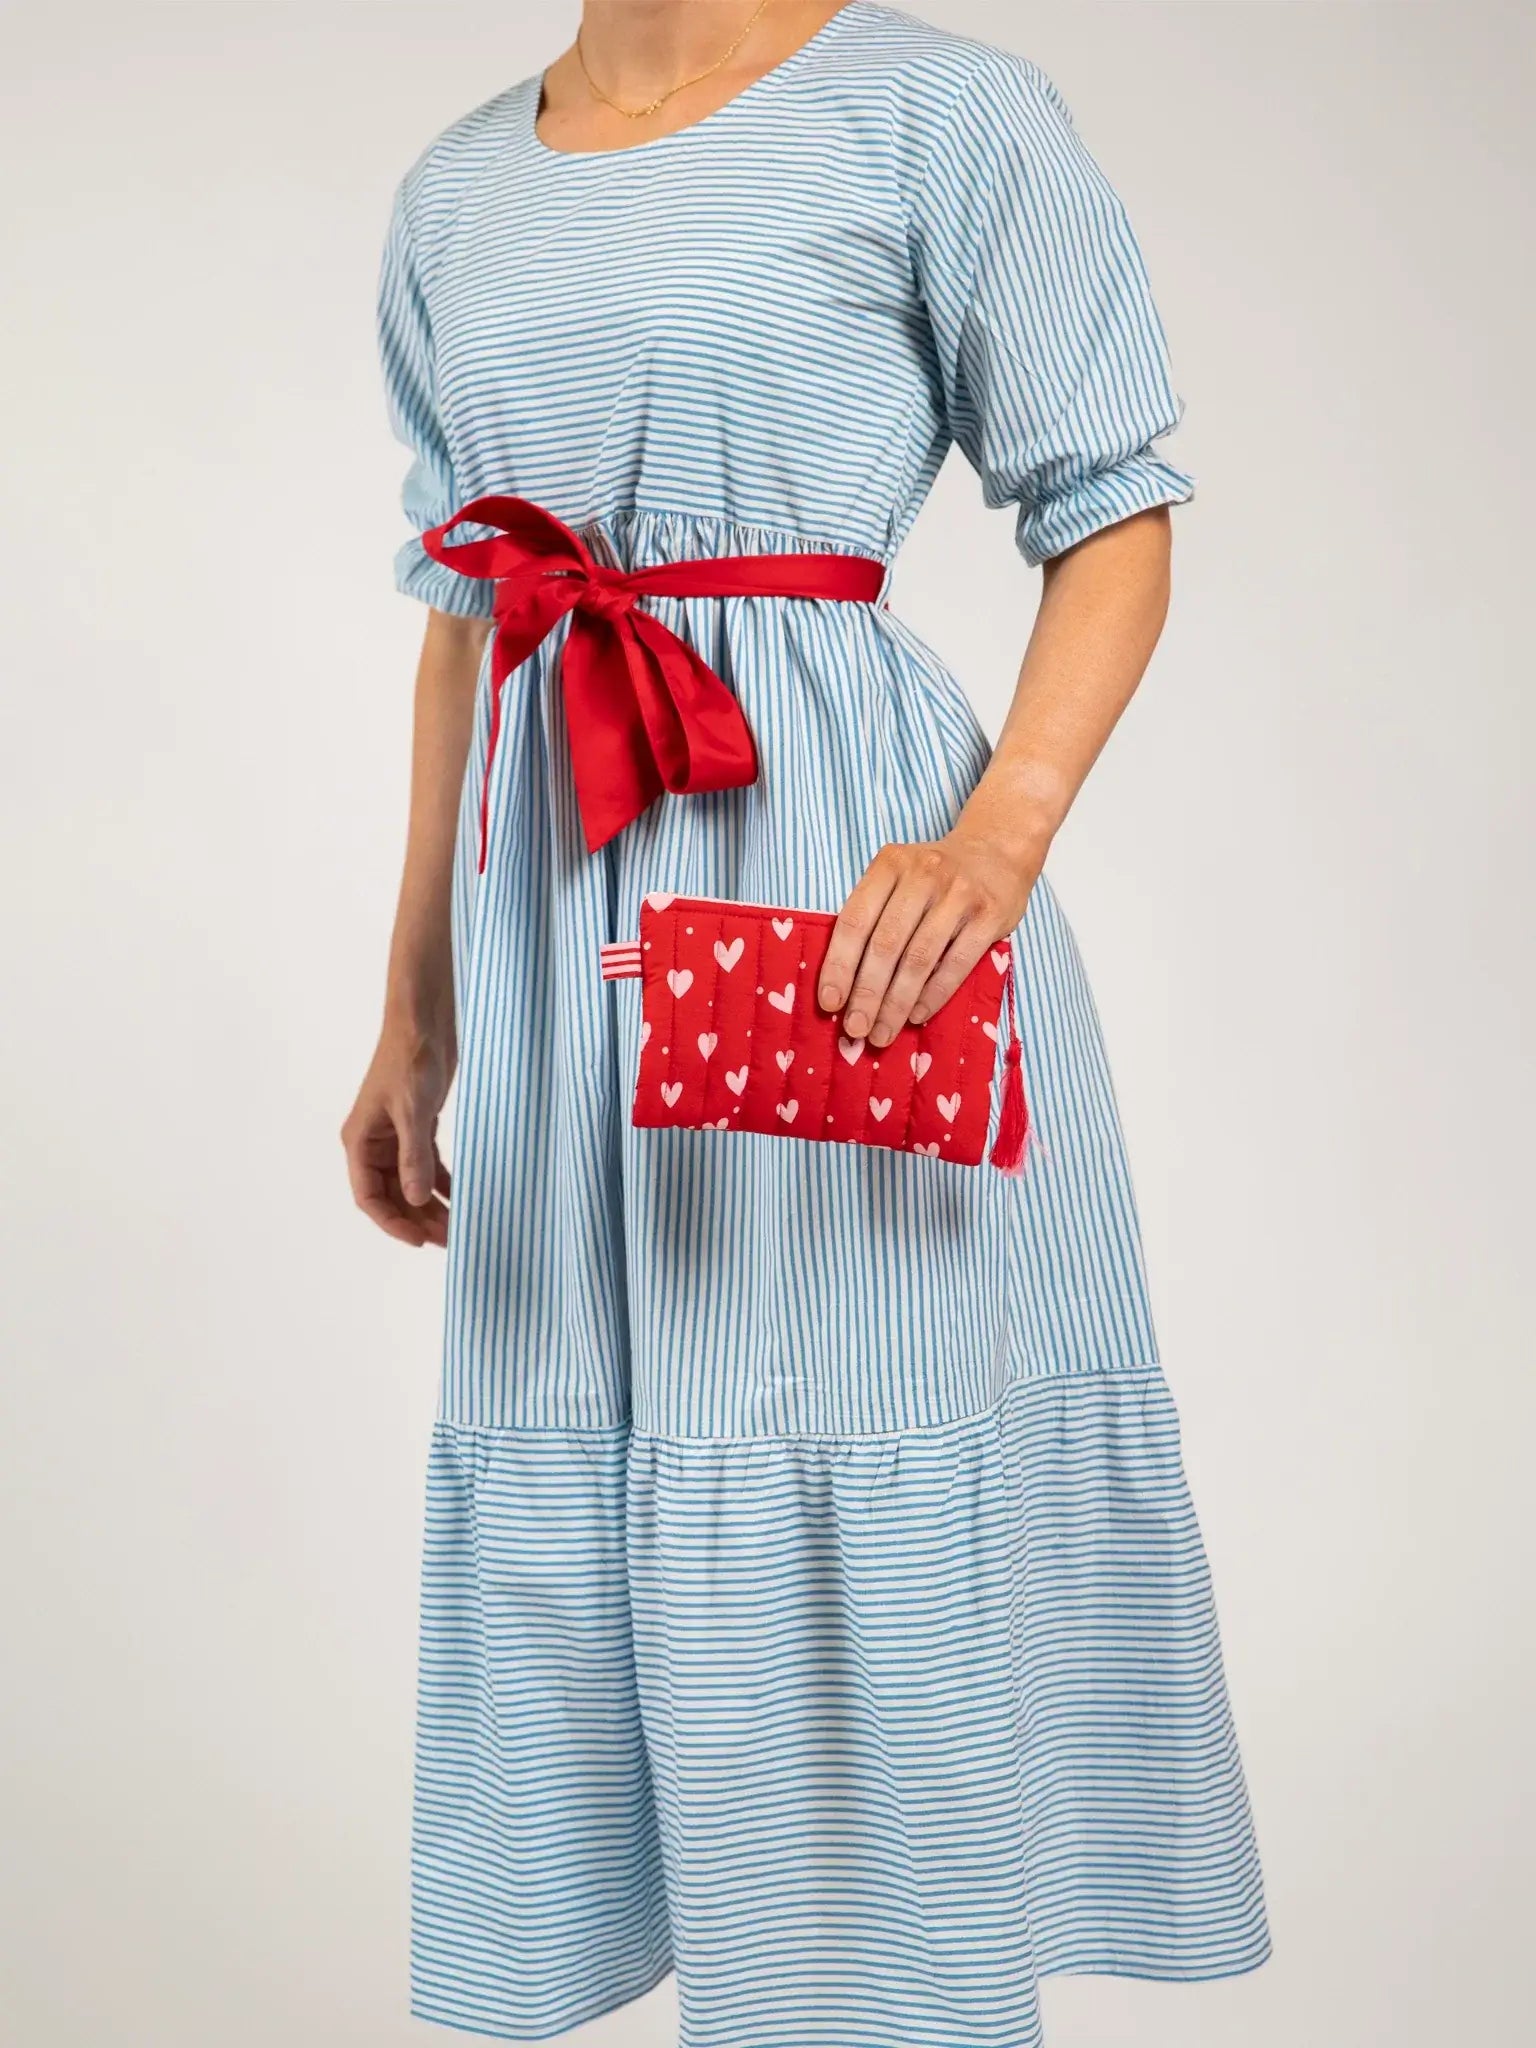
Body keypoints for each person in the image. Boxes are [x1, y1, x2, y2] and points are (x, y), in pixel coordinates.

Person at [342, 4, 1271, 2041]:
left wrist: (998, 844)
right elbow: (462, 603)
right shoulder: (456, 189)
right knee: (602, 1439)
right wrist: (416, 1002)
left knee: (829, 1429)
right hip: (552, 911)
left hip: (825, 894)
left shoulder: (938, 113)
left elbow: (1114, 506)